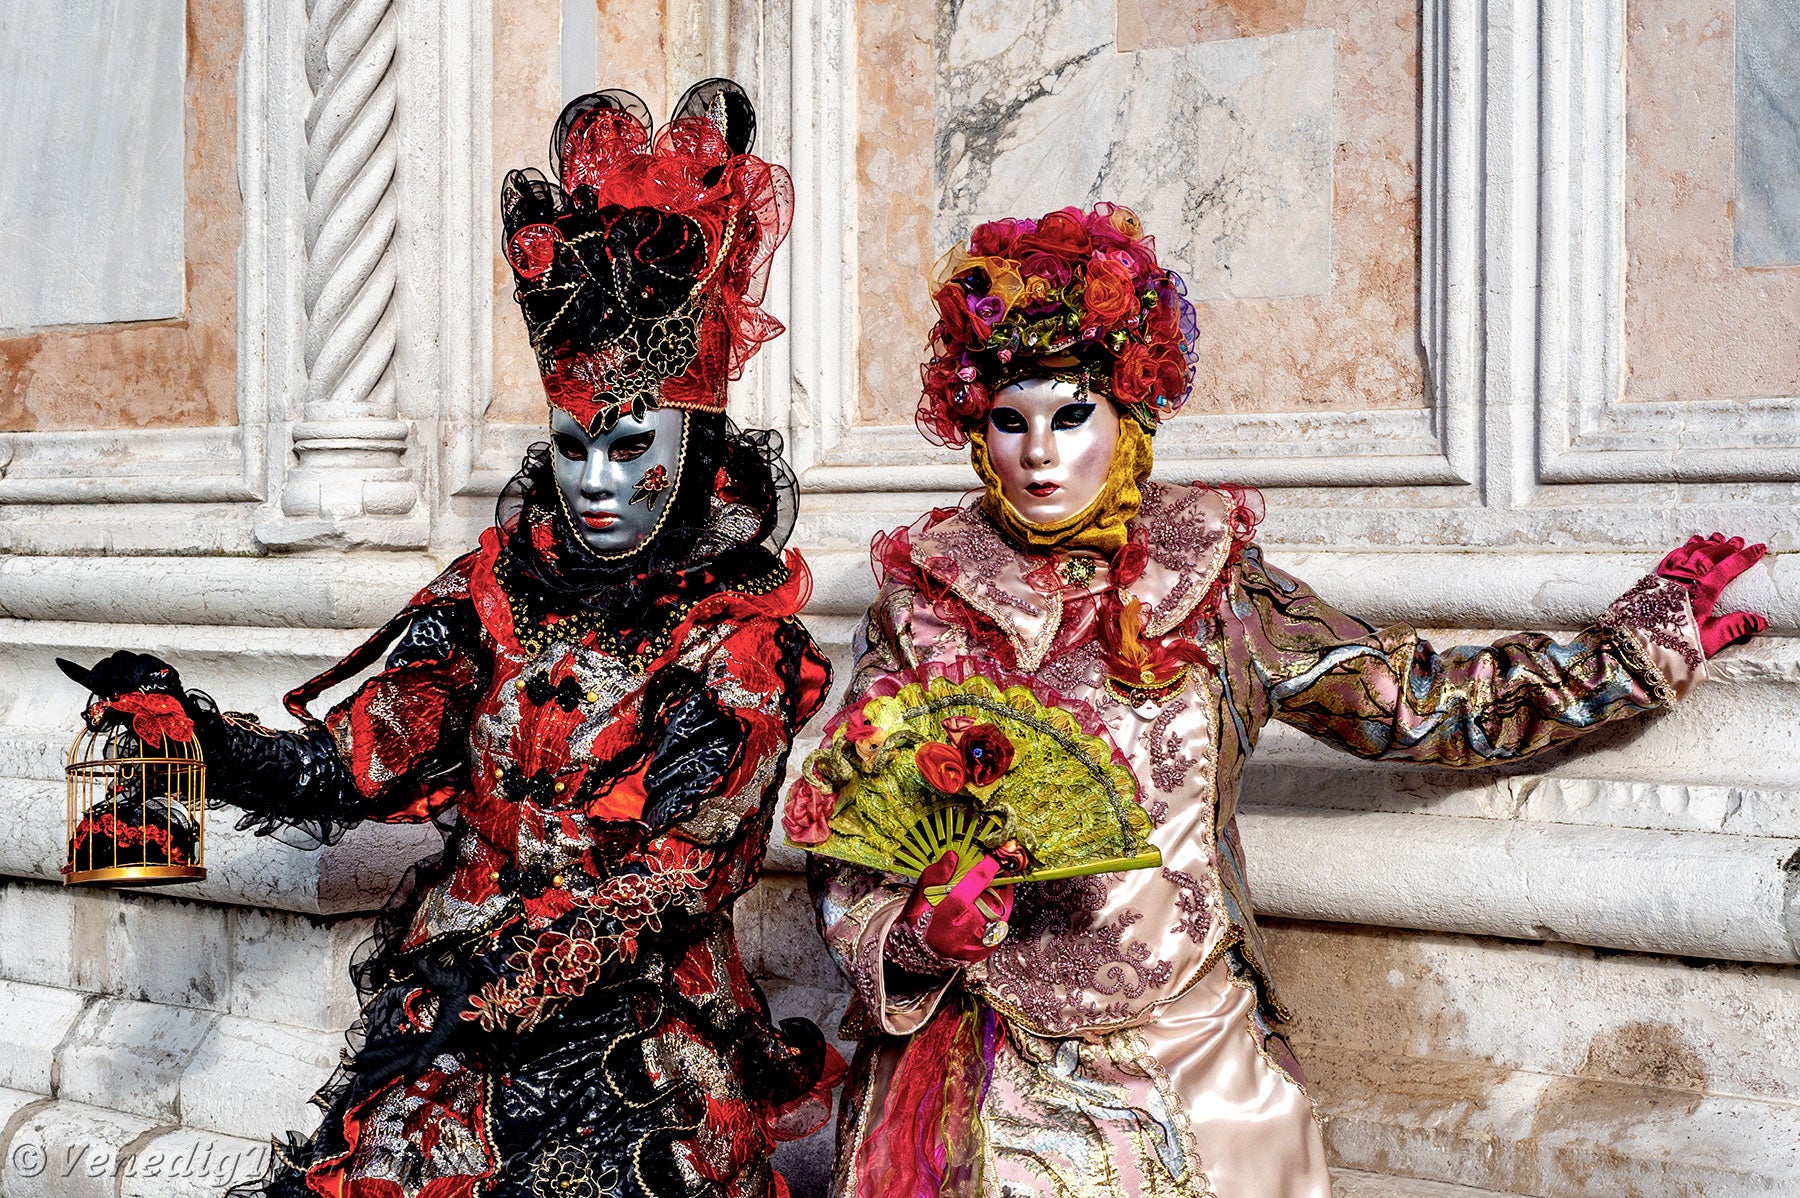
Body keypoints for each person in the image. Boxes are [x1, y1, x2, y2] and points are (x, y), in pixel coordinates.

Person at [793, 202, 1767, 1198]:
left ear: (1128, 417)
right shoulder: (928, 610)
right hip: (984, 1080)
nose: (1039, 452)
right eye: (1011, 420)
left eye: (1070, 415)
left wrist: (1628, 657)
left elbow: (1414, 705)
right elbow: (848, 833)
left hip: (1195, 1064)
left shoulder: (1214, 592)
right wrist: (917, 935)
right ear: (977, 431)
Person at [60, 80, 839, 1198]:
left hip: (628, 1055)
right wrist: (195, 739)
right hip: (449, 1032)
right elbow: (358, 761)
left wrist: (514, 976)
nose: (597, 481)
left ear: (697, 443)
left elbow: (683, 870)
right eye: (573, 444)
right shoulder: (497, 597)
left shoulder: (740, 644)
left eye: (631, 447)